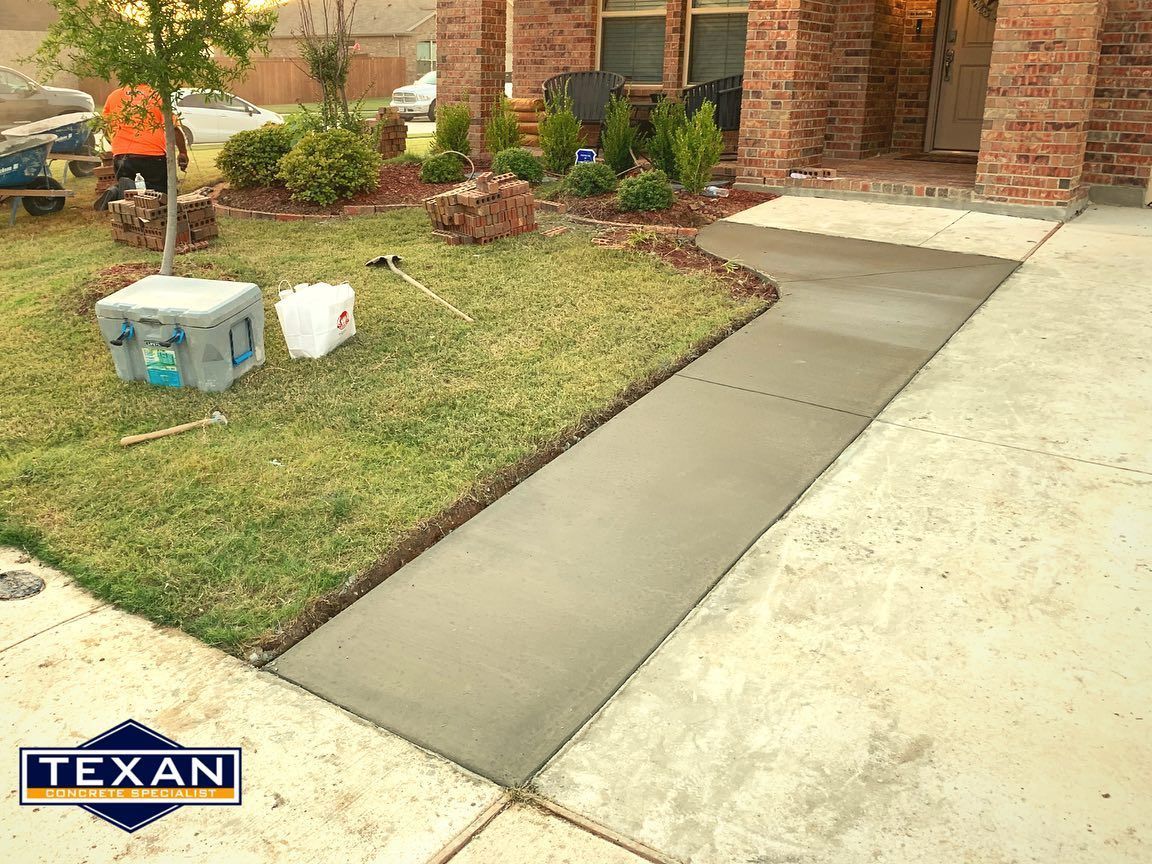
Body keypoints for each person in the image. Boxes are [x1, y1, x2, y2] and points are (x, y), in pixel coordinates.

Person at [102, 83, 188, 194]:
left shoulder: (114, 96)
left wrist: (116, 145)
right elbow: (173, 128)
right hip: (152, 156)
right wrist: (183, 152)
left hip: (121, 156)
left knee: (128, 199)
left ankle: (119, 191)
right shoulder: (156, 96)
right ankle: (138, 189)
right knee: (160, 195)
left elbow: (104, 126)